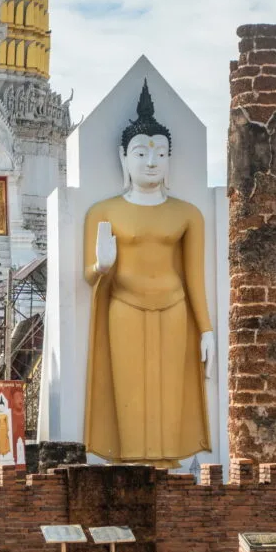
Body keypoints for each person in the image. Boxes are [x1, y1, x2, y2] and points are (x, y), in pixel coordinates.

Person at [83, 80, 214, 467]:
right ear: (124, 157)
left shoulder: (188, 214)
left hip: (174, 308)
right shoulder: (103, 211)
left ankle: (170, 464)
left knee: (171, 389)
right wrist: (101, 266)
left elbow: (194, 278)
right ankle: (129, 462)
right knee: (128, 386)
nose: (152, 161)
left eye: (160, 153)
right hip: (124, 306)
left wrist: (206, 330)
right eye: (141, 152)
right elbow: (90, 275)